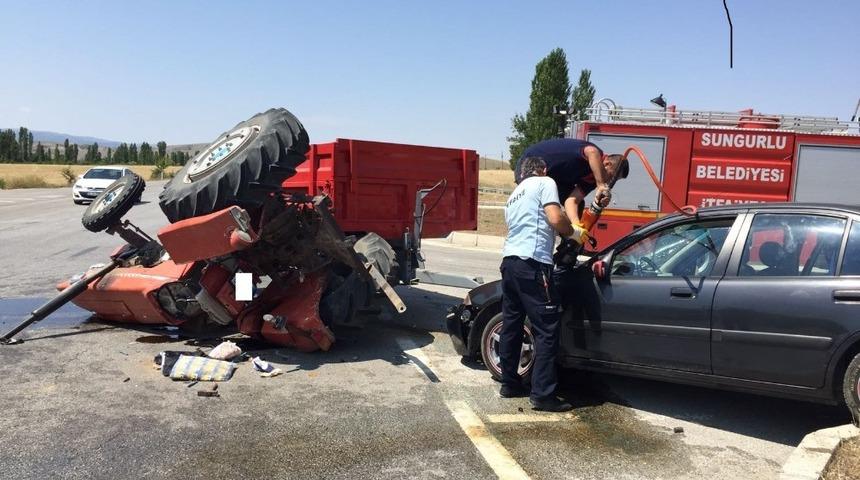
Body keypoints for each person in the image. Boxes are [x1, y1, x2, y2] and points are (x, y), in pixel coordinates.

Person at [499, 156, 575, 412]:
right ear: (542, 169)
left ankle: (509, 383)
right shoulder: (545, 182)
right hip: (533, 264)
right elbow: (554, 218)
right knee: (547, 329)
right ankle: (543, 395)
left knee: (512, 324)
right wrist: (571, 231)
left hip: (509, 263)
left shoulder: (513, 196)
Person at [514, 138, 629, 233]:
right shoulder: (596, 154)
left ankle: (569, 249)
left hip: (553, 178)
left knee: (579, 206)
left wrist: (577, 227)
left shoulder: (592, 180)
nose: (609, 181)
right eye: (611, 176)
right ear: (607, 163)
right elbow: (592, 152)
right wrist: (601, 185)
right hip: (531, 163)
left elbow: (571, 201)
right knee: (534, 204)